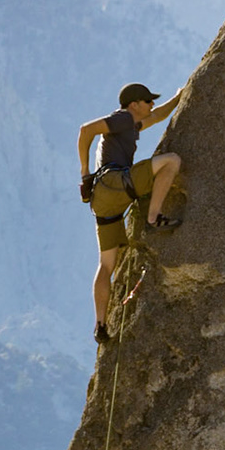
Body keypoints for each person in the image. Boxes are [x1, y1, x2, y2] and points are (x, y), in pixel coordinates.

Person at [78, 82, 182, 343]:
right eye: (147, 101)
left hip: (102, 200)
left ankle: (100, 324)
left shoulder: (131, 125)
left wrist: (181, 95)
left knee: (106, 264)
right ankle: (153, 217)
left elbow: (159, 116)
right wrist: (83, 171)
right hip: (115, 182)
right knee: (172, 161)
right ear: (134, 104)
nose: (152, 105)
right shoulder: (123, 118)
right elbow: (86, 130)